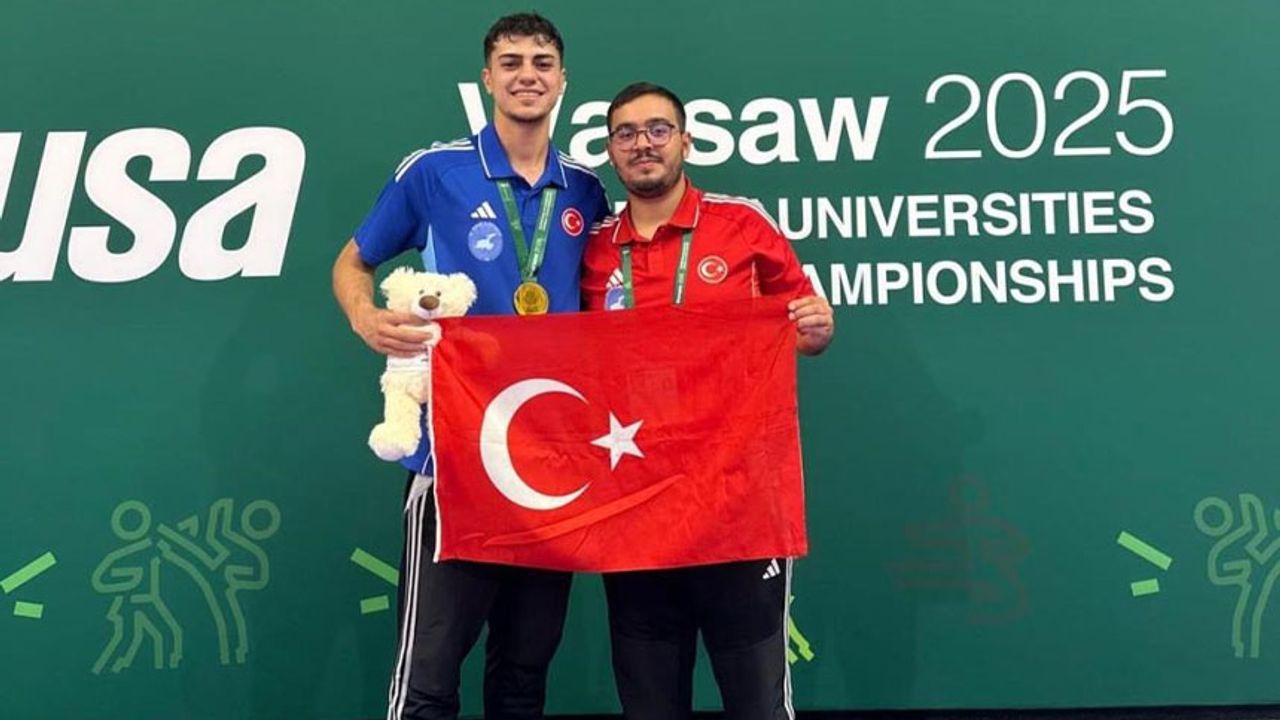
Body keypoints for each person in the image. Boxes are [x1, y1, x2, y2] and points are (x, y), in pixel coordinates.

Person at [331, 13, 609, 720]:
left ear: (563, 80)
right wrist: (365, 317)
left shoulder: (585, 190)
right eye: (511, 62)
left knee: (523, 674)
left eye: (542, 63)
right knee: (427, 676)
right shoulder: (434, 172)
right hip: (451, 455)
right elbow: (353, 263)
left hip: (547, 464)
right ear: (487, 78)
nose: (527, 75)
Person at [580, 81, 834, 720]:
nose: (643, 144)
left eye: (658, 130)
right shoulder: (595, 248)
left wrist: (816, 328)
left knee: (756, 705)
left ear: (686, 141)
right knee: (650, 706)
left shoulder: (741, 223)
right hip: (636, 507)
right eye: (626, 133)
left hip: (738, 504)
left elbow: (804, 321)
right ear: (610, 150)